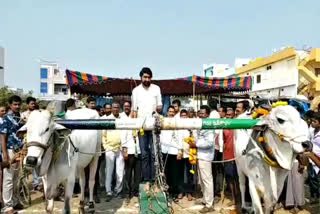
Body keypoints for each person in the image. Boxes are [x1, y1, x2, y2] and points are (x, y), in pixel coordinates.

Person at [131, 67, 162, 182]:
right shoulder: (136, 91)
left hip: (154, 125)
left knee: (154, 154)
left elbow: (160, 106)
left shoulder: (156, 89)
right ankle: (146, 179)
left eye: (149, 77)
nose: (147, 79)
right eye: (145, 77)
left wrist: (158, 109)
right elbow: (134, 111)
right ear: (141, 77)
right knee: (144, 154)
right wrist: (134, 129)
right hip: (141, 126)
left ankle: (155, 178)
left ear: (151, 78)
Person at [1, 95, 24, 214]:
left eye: (19, 104)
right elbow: (3, 138)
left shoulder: (20, 118)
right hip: (10, 151)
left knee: (16, 179)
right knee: (8, 179)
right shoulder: (5, 118)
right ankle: (7, 206)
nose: (17, 106)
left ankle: (15, 202)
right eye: (15, 104)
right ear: (10, 105)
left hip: (19, 151)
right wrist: (5, 156)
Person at [190, 105, 215, 213]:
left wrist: (196, 144)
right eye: (200, 113)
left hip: (206, 156)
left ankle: (209, 204)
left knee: (207, 180)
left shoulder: (208, 125)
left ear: (208, 114)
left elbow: (209, 143)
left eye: (203, 113)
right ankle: (205, 199)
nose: (201, 115)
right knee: (202, 179)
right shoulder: (200, 123)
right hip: (200, 155)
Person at [102, 103, 125, 202]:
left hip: (120, 149)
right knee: (109, 171)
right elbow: (103, 135)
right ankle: (108, 191)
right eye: (114, 107)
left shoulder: (122, 119)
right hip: (109, 149)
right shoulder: (107, 119)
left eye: (117, 108)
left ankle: (118, 191)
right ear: (111, 109)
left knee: (120, 171)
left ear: (119, 109)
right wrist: (106, 147)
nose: (115, 109)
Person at [161, 106, 183, 202]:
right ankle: (167, 193)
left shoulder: (177, 122)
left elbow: (180, 137)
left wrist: (179, 150)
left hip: (174, 151)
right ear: (167, 112)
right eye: (169, 111)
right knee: (166, 173)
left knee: (175, 174)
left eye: (173, 112)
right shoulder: (163, 121)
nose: (171, 113)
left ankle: (174, 193)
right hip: (165, 151)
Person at [21, 97, 42, 191]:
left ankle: (38, 182)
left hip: (37, 141)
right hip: (27, 141)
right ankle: (25, 185)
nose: (33, 105)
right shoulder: (23, 115)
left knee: (37, 161)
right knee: (27, 163)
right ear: (27, 105)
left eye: (34, 103)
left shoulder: (39, 113)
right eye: (31, 104)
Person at [121, 101, 141, 199]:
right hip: (129, 152)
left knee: (137, 174)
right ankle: (128, 191)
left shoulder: (140, 123)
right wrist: (124, 150)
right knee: (128, 173)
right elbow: (123, 137)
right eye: (133, 112)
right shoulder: (127, 122)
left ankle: (136, 191)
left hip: (139, 152)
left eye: (136, 112)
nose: (134, 114)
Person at [223, 108, 239, 206]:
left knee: (238, 179)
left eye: (231, 115)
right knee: (230, 178)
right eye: (227, 115)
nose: (229, 117)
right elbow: (223, 142)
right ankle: (234, 199)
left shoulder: (237, 125)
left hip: (237, 156)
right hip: (227, 155)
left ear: (234, 116)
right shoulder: (223, 126)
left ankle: (240, 198)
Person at [179, 109, 195, 201]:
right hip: (180, 153)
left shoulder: (191, 125)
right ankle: (181, 191)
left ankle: (189, 192)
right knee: (180, 173)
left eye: (185, 115)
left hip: (191, 153)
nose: (184, 117)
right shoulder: (177, 126)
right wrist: (179, 151)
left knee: (190, 173)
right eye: (182, 115)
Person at [307, 112, 320, 201]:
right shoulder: (311, 131)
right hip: (311, 159)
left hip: (318, 159)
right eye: (312, 121)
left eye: (314, 121)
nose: (312, 123)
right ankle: (315, 196)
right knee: (312, 178)